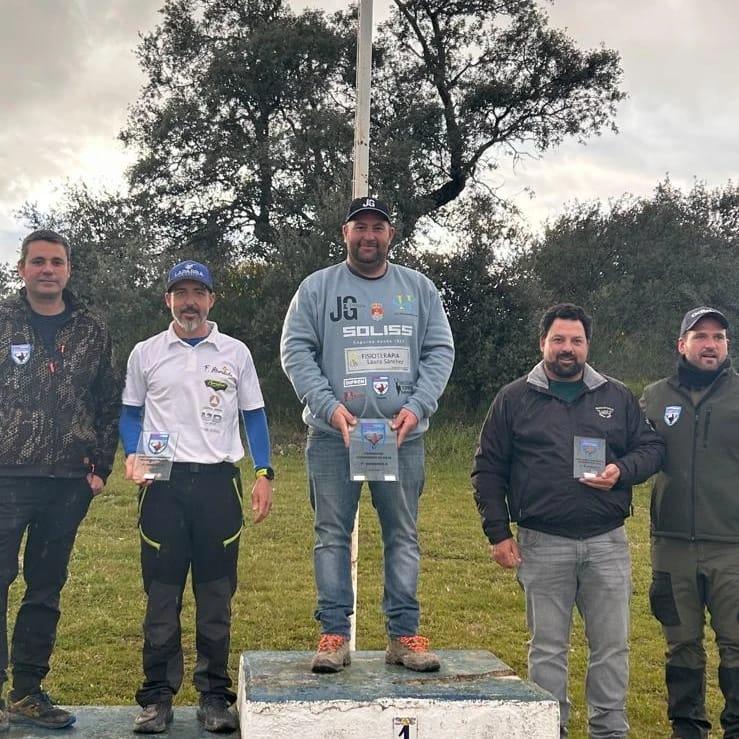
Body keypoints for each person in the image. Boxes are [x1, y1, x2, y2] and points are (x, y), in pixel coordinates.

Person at [472, 302, 665, 738]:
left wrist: (621, 471)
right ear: (542, 343)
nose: (567, 348)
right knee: (547, 650)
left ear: (587, 346)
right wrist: (499, 533)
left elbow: (651, 449)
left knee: (612, 647)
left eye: (575, 340)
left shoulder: (616, 396)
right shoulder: (514, 398)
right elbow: (488, 468)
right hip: (542, 542)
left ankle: (608, 729)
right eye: (558, 339)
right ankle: (548, 728)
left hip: (607, 542)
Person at [280, 196, 454, 674]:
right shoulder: (317, 288)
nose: (369, 235)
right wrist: (330, 408)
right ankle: (334, 633)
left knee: (403, 536)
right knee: (331, 536)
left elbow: (439, 352)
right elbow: (296, 352)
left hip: (402, 438)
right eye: (361, 227)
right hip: (335, 437)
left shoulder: (418, 289)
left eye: (378, 227)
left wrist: (416, 410)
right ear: (345, 233)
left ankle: (403, 636)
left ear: (390, 234)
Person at [120, 260, 273, 734]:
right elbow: (130, 414)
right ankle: (157, 696)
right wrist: (131, 454)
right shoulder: (146, 353)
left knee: (215, 596)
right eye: (180, 292)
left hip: (216, 485)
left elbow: (255, 417)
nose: (189, 301)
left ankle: (213, 696)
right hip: (161, 485)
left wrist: (264, 470)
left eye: (198, 293)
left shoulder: (235, 353)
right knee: (162, 597)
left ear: (211, 299)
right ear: (167, 299)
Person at [0, 229, 120, 731]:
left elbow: (109, 399)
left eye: (56, 262)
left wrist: (100, 465)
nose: (47, 269)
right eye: (38, 261)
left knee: (45, 588)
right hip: (6, 477)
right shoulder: (3, 320)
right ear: (23, 268)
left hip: (68, 481)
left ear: (68, 270)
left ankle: (26, 692)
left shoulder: (92, 327)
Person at [641, 306, 739, 739]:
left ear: (727, 346)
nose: (710, 344)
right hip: (672, 544)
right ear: (682, 344)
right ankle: (687, 728)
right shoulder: (654, 396)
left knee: (736, 644)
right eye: (701, 336)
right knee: (682, 644)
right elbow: (634, 454)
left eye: (718, 337)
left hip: (732, 546)